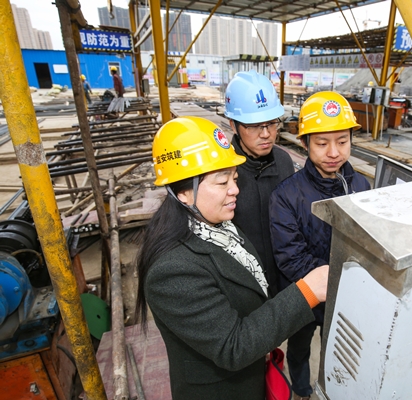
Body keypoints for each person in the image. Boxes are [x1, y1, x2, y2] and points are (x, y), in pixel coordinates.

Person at [135, 116, 329, 400]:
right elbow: (233, 346)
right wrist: (307, 292)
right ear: (184, 192)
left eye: (235, 179)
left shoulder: (221, 227)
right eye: (222, 181)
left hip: (250, 375)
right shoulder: (172, 270)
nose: (235, 189)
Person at [269, 91, 371, 400]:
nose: (333, 152)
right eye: (322, 143)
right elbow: (290, 258)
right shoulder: (286, 195)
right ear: (304, 143)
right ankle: (301, 390)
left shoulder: (362, 187)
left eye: (342, 141)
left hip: (345, 296)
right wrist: (339, 279)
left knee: (339, 348)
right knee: (300, 348)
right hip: (305, 294)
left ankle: (332, 390)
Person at [224, 70, 295, 297]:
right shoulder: (222, 172)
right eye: (254, 125)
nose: (266, 134)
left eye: (271, 123)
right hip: (244, 286)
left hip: (284, 279)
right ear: (233, 125)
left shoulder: (284, 162)